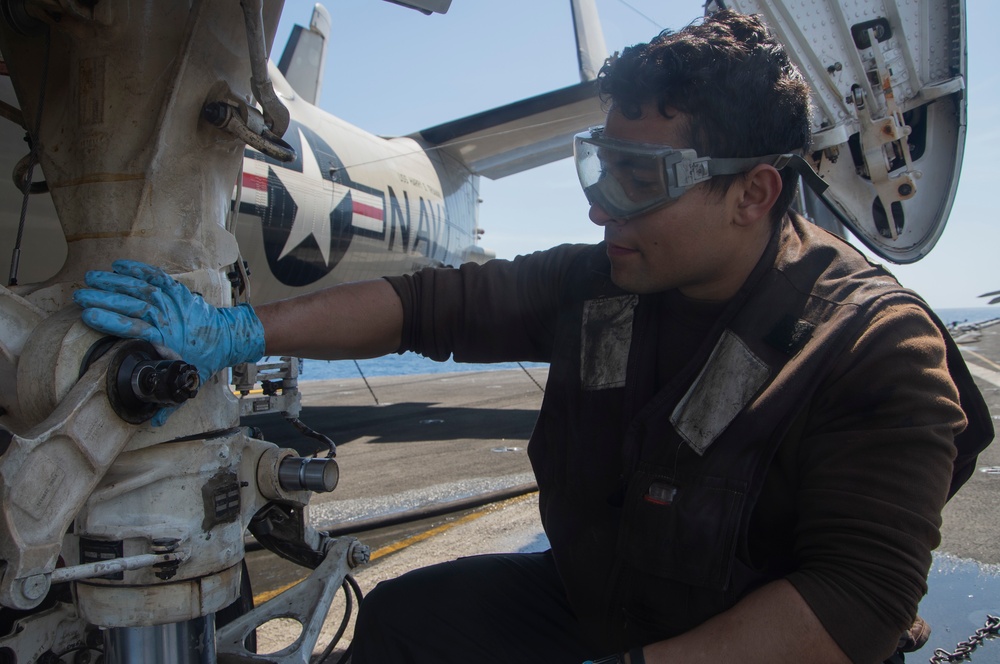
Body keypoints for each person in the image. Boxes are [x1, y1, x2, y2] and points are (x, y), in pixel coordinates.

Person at [74, 10, 992, 664]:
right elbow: (423, 307)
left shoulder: (876, 349)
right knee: (408, 622)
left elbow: (855, 605)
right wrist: (236, 329)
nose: (599, 202)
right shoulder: (607, 278)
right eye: (598, 164)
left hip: (745, 645)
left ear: (753, 192)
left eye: (640, 176)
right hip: (600, 607)